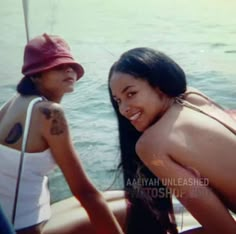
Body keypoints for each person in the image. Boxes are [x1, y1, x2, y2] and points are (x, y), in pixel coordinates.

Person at [0, 33, 124, 234]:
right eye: (57, 66)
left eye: (71, 65)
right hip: (24, 227)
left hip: (15, 217)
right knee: (127, 209)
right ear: (35, 75)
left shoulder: (15, 102)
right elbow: (84, 193)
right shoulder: (50, 113)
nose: (68, 69)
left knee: (120, 196)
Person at [108, 47, 236, 234]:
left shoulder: (151, 145)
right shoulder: (193, 97)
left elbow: (224, 230)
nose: (124, 109)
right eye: (118, 100)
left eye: (131, 94)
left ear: (158, 85)